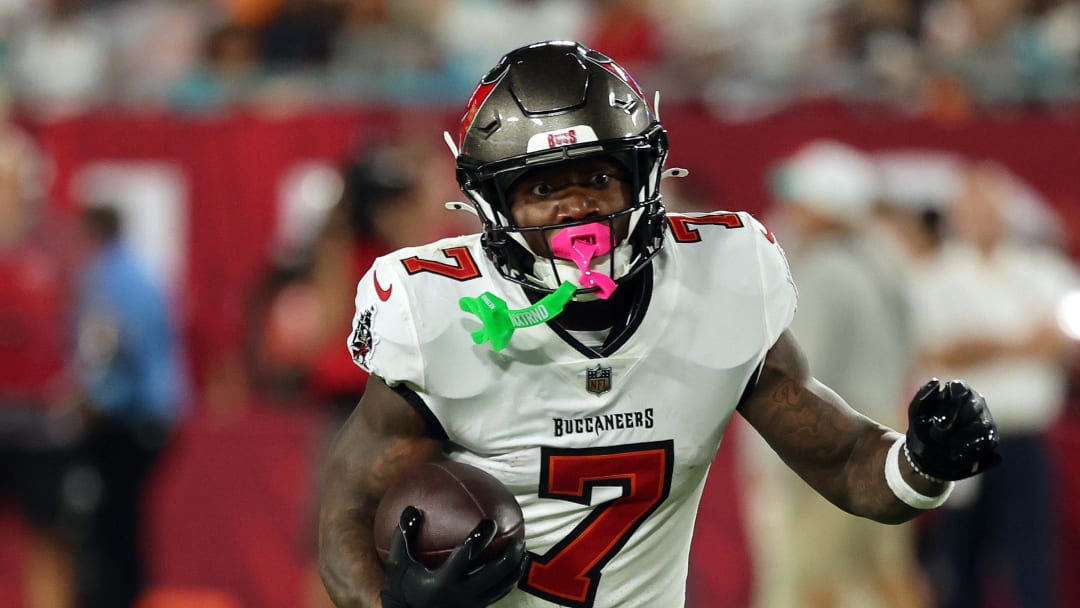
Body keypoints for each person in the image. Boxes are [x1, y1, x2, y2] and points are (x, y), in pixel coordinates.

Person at [318, 40, 1001, 608]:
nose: (575, 207)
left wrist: (923, 461)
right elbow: (346, 514)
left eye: (596, 179)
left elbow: (849, 463)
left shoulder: (719, 281)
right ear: (494, 208)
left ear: (644, 180)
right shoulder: (444, 313)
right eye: (543, 188)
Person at [740, 140, 928, 608]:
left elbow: (793, 382)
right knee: (879, 576)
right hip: (881, 438)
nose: (787, 209)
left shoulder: (822, 273)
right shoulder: (881, 263)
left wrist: (774, 462)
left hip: (827, 444)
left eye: (800, 198)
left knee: (804, 581)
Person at [912, 162, 1076, 608]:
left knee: (1030, 555)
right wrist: (1023, 343)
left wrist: (983, 346)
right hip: (959, 441)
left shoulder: (1042, 270)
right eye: (973, 208)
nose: (983, 218)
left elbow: (1065, 339)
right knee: (960, 555)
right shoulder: (931, 277)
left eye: (991, 208)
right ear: (957, 214)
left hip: (1024, 435)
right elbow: (939, 349)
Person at [71, 204, 188, 608]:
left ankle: (119, 597)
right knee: (123, 518)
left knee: (111, 522)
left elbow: (111, 349)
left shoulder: (109, 278)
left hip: (130, 417)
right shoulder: (139, 272)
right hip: (155, 412)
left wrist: (92, 399)